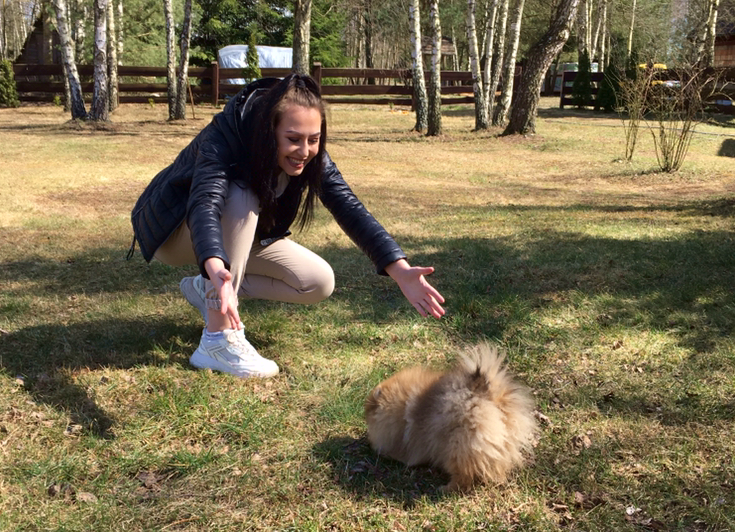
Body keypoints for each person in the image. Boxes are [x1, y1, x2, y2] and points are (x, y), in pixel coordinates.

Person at [129, 74, 445, 378]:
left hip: (234, 240)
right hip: (174, 233)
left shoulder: (312, 156)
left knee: (318, 281)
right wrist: (215, 265)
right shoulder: (228, 132)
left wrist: (399, 269)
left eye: (314, 140)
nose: (305, 151)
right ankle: (217, 340)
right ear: (270, 131)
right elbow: (205, 203)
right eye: (293, 139)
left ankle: (204, 289)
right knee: (241, 194)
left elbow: (348, 206)